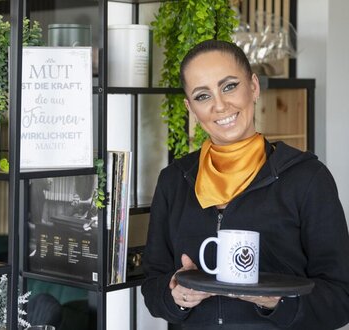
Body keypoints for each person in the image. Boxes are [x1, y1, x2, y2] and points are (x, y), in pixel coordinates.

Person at [141, 39, 349, 329]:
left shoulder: (308, 178)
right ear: (190, 107)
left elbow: (341, 299)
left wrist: (274, 301)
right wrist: (176, 294)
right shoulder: (174, 180)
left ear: (253, 87)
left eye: (229, 86)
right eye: (203, 96)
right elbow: (153, 284)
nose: (220, 105)